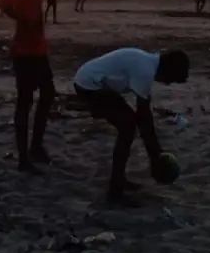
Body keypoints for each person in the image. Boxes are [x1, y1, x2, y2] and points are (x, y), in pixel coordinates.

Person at [73, 47, 190, 202]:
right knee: (127, 127)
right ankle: (115, 188)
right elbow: (144, 117)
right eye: (171, 79)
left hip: (94, 82)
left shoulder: (147, 62)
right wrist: (156, 155)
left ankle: (118, 180)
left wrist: (154, 152)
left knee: (128, 125)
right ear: (168, 70)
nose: (168, 84)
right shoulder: (145, 71)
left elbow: (144, 118)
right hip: (90, 84)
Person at [0, 0, 57, 173]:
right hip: (25, 53)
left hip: (38, 50)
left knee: (48, 93)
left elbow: (6, 4)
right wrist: (23, 21)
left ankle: (36, 146)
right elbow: (5, 4)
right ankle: (24, 158)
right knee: (25, 103)